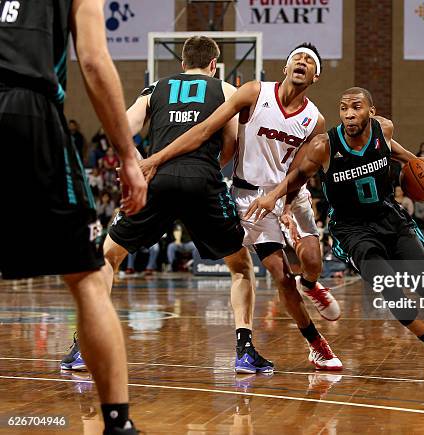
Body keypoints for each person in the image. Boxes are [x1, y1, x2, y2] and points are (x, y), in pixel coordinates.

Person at [62, 36, 273, 375]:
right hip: (203, 180)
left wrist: (137, 162)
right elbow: (231, 144)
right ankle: (245, 351)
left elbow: (123, 127)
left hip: (156, 179)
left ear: (182, 63)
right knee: (240, 266)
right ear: (213, 64)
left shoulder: (155, 88)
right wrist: (205, 172)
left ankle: (85, 346)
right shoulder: (225, 89)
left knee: (108, 256)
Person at [137, 42, 343, 370]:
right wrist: (157, 159)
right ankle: (316, 344)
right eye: (296, 58)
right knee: (279, 274)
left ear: (315, 76)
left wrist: (284, 202)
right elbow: (204, 129)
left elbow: (300, 171)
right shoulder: (253, 92)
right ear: (285, 68)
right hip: (249, 197)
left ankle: (312, 284)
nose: (302, 62)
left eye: (309, 61)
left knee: (313, 261)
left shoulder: (314, 120)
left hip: (287, 192)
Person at [0, 1, 147, 434]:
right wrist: (126, 154)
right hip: (27, 112)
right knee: (87, 275)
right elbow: (96, 63)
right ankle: (117, 425)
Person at [246, 87, 424, 379]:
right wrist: (276, 197)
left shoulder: (383, 130)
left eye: (356, 107)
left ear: (370, 112)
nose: (349, 114)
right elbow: (298, 176)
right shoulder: (325, 145)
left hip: (390, 219)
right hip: (352, 230)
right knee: (391, 291)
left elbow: (396, 153)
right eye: (344, 108)